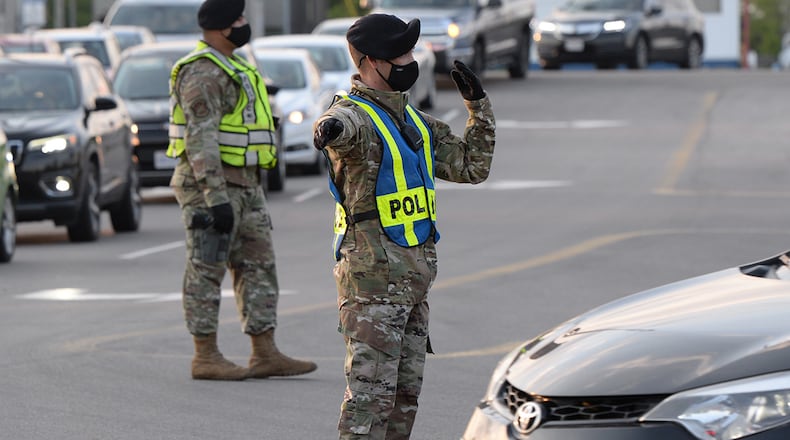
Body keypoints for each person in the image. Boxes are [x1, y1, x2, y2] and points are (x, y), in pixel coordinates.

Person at [313, 13, 496, 439]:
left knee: (402, 403)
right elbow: (340, 129)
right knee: (368, 403)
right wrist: (329, 130)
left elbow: (473, 167)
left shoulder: (415, 122)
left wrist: (478, 106)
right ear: (369, 62)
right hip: (372, 289)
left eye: (410, 51)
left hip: (413, 285)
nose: (410, 61)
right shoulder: (354, 118)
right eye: (401, 54)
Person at [167, 0, 316, 381]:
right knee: (206, 267)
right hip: (211, 188)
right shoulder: (202, 73)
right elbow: (202, 141)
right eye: (237, 19)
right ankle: (205, 356)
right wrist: (215, 198)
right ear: (218, 27)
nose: (243, 24)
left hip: (246, 185)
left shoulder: (236, 67)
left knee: (259, 267)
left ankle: (265, 352)